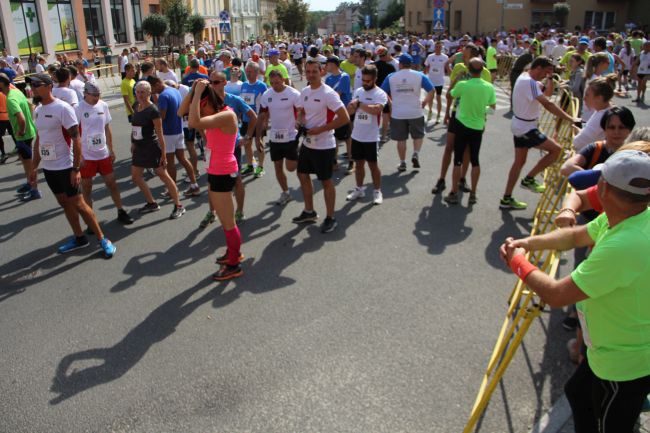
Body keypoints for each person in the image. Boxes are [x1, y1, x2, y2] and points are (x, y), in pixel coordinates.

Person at [500, 149, 650, 433]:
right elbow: (574, 235)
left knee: (610, 423)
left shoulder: (625, 244)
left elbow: (557, 294)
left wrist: (516, 262)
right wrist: (528, 243)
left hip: (623, 363)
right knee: (579, 394)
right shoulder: (630, 216)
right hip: (608, 350)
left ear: (604, 187)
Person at [26, 73, 116, 257]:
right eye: (32, 85)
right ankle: (79, 237)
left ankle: (102, 238)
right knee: (63, 203)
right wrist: (34, 167)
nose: (33, 88)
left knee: (80, 204)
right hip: (49, 168)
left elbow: (77, 139)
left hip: (66, 166)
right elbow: (39, 140)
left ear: (49, 86)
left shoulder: (63, 108)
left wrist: (76, 169)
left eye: (37, 84)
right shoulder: (38, 110)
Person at [500, 56, 578, 210]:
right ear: (538, 68)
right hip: (526, 128)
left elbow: (547, 94)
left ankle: (506, 199)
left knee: (519, 162)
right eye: (546, 72)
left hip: (522, 125)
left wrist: (550, 78)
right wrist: (571, 119)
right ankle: (529, 179)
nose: (546, 75)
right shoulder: (529, 82)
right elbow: (548, 103)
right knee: (556, 150)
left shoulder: (527, 78)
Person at [188, 79, 243, 280]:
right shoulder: (215, 114)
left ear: (210, 102)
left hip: (223, 171)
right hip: (216, 170)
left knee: (228, 222)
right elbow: (182, 113)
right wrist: (195, 90)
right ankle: (232, 253)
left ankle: (235, 264)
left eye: (203, 106)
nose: (201, 111)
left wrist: (197, 95)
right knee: (224, 218)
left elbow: (193, 122)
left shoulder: (226, 115)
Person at [293, 59, 350, 233]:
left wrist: (320, 130)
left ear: (321, 72)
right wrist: (299, 120)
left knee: (326, 181)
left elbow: (344, 118)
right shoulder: (304, 91)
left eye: (314, 72)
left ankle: (330, 217)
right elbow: (302, 111)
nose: (310, 75)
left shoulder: (328, 93)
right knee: (302, 175)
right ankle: (309, 211)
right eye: (308, 71)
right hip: (308, 143)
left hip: (325, 145)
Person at [76, 82, 133, 225]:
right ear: (86, 94)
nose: (97, 98)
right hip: (87, 155)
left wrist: (111, 149)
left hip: (103, 153)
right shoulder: (78, 108)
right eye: (94, 95)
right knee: (87, 187)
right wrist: (79, 155)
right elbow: (74, 134)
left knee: (111, 183)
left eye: (98, 95)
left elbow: (107, 129)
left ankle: (121, 211)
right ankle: (90, 220)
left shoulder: (103, 105)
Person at [444, 58, 496, 205]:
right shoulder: (489, 87)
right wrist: (481, 110)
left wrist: (455, 80)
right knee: (475, 160)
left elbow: (449, 95)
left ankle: (453, 192)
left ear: (469, 69)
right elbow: (492, 109)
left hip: (461, 124)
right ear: (482, 70)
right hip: (478, 127)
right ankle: (473, 193)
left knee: (457, 160)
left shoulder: (463, 84)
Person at [129, 80, 185, 219]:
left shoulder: (153, 110)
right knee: (136, 177)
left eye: (143, 92)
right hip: (139, 147)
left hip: (151, 147)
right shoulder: (136, 106)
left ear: (149, 93)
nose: (140, 95)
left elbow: (160, 134)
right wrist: (133, 142)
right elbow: (135, 126)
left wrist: (164, 155)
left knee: (162, 174)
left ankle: (179, 205)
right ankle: (152, 203)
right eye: (138, 92)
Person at [380, 54, 434, 172]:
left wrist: (390, 102)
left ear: (400, 64)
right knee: (418, 135)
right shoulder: (419, 75)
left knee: (401, 139)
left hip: (398, 112)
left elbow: (381, 92)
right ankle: (415, 153)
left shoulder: (391, 76)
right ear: (411, 63)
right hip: (415, 111)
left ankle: (402, 162)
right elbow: (432, 90)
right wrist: (425, 102)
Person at [148, 76, 199, 197]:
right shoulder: (174, 91)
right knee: (183, 159)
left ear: (157, 84)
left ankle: (172, 189)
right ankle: (194, 185)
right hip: (178, 130)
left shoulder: (163, 96)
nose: (151, 92)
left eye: (152, 89)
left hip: (168, 134)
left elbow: (162, 117)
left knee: (169, 162)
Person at [345, 65, 388, 205]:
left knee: (373, 165)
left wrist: (359, 104)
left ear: (375, 79)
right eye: (363, 80)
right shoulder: (358, 91)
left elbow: (376, 110)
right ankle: (359, 189)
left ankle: (377, 191)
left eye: (368, 81)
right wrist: (352, 107)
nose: (365, 83)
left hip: (371, 137)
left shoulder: (380, 93)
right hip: (357, 135)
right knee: (358, 164)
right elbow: (350, 111)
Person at [258, 70, 301, 205]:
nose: (275, 85)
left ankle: (301, 162)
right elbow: (263, 114)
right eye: (272, 83)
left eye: (277, 82)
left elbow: (301, 110)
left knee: (291, 167)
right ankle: (285, 193)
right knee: (277, 165)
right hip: (275, 136)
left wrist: (299, 120)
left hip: (291, 134)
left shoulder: (293, 94)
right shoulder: (267, 94)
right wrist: (259, 134)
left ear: (283, 80)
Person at [0, 73, 41, 200]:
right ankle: (30, 183)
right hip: (28, 132)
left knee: (29, 166)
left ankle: (35, 190)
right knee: (25, 162)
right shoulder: (16, 91)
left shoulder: (11, 99)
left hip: (24, 135)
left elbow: (21, 119)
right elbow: (29, 107)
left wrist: (21, 132)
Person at [572, 75, 618, 152]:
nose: (584, 98)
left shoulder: (601, 116)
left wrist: (576, 133)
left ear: (599, 98)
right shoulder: (606, 110)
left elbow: (577, 142)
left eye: (587, 95)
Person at [325, 56, 353, 173]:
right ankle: (334, 161)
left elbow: (338, 94)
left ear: (334, 65)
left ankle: (351, 162)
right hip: (332, 112)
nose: (326, 67)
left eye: (328, 64)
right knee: (334, 137)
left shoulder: (344, 76)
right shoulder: (328, 78)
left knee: (348, 138)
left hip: (343, 111)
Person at [239, 62, 267, 178]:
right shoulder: (244, 85)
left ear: (256, 72)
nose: (248, 73)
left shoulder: (261, 86)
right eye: (247, 71)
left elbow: (265, 106)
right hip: (246, 120)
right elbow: (242, 103)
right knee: (247, 143)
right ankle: (250, 166)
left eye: (250, 71)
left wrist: (265, 122)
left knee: (258, 143)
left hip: (258, 120)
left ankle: (260, 166)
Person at [424, 41, 449, 124]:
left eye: (439, 47)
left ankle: (438, 115)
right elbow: (427, 67)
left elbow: (447, 68)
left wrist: (452, 76)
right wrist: (423, 77)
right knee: (430, 98)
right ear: (434, 48)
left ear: (442, 48)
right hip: (431, 80)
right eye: (436, 47)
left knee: (438, 98)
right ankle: (430, 111)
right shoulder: (430, 56)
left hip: (439, 81)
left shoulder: (445, 57)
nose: (438, 48)